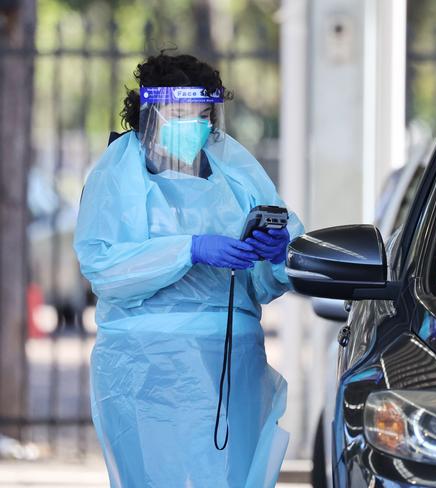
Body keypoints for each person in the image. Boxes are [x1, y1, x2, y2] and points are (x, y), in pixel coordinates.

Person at [74, 53, 304, 487]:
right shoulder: (119, 171)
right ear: (151, 114)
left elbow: (264, 281)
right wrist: (189, 250)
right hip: (145, 369)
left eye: (203, 115)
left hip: (231, 363)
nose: (195, 126)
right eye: (181, 114)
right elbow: (105, 267)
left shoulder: (232, 169)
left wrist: (274, 253)